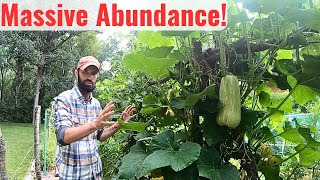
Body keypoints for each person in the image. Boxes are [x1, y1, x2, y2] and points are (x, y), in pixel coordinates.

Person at [54, 56, 135, 180]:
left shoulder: (96, 104)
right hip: (73, 176)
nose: (90, 77)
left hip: (95, 174)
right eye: (85, 72)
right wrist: (95, 125)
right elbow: (63, 136)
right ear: (76, 73)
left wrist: (120, 124)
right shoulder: (65, 99)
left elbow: (100, 136)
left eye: (94, 73)